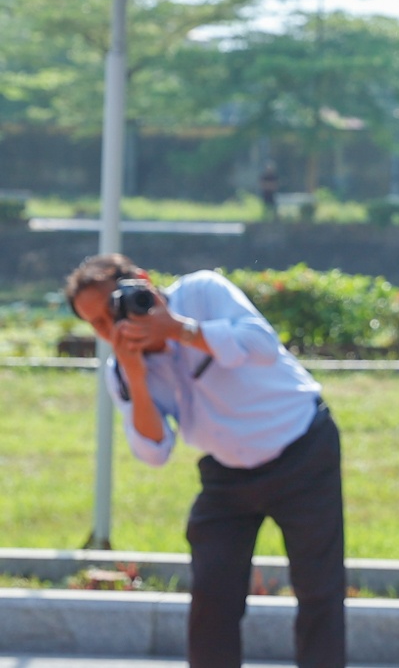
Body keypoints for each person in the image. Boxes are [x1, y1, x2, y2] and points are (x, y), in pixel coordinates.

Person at [66, 255, 343, 668]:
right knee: (212, 596)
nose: (112, 327)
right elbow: (154, 451)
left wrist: (178, 329)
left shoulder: (202, 292)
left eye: (113, 308)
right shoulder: (121, 370)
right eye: (98, 325)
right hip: (225, 473)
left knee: (318, 588)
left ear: (142, 281)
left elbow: (262, 346)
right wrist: (137, 376)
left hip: (301, 448)